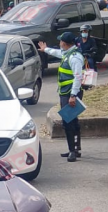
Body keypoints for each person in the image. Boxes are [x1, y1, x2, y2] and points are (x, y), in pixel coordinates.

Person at [39, 32, 84, 161]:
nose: (59, 43)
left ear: (64, 43)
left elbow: (78, 78)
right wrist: (45, 49)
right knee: (72, 120)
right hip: (66, 92)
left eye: (60, 41)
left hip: (71, 93)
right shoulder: (68, 53)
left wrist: (73, 96)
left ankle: (72, 151)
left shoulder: (75, 57)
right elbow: (58, 53)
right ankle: (75, 149)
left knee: (68, 121)